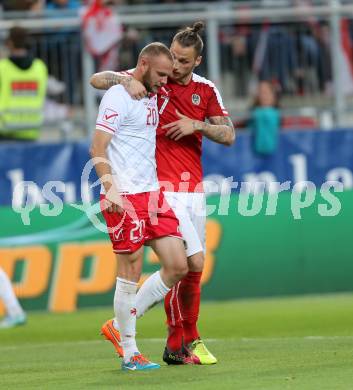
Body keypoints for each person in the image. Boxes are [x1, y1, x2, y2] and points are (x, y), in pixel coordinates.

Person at [90, 21, 235, 365]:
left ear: (197, 61)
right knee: (159, 265)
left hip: (173, 190)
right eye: (171, 60)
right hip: (146, 191)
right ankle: (153, 345)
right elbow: (98, 82)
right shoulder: (141, 83)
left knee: (183, 265)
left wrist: (197, 124)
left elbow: (229, 135)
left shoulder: (196, 88)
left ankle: (135, 326)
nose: (173, 70)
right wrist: (124, 79)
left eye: (182, 62)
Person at [90, 42, 191, 371]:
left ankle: (118, 327)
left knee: (178, 265)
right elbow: (97, 146)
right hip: (124, 196)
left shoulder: (154, 91)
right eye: (160, 74)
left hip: (152, 195)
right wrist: (111, 188)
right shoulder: (120, 95)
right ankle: (130, 352)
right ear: (143, 65)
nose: (165, 81)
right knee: (130, 272)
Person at [0, 26, 48, 141]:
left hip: (6, 127)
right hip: (32, 127)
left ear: (9, 43)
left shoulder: (2, 67)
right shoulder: (40, 67)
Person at [250, 80, 280, 156]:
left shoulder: (283, 115)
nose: (264, 96)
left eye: (266, 92)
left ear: (273, 95)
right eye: (261, 92)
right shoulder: (250, 115)